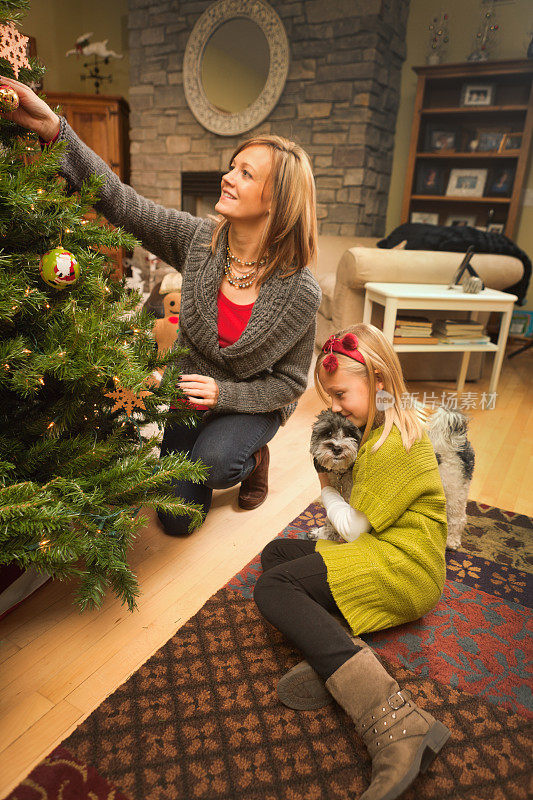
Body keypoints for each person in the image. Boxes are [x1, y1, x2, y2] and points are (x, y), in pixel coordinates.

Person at [1, 76, 321, 535]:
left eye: (246, 173)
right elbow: (123, 202)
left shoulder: (300, 290)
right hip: (188, 394)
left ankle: (250, 460)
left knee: (213, 465)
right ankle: (216, 450)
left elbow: (291, 383)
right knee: (175, 522)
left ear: (278, 200)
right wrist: (54, 129)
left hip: (248, 402)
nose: (228, 177)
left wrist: (226, 395)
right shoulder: (198, 242)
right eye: (232, 166)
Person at [254, 323, 450, 800]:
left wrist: (324, 484)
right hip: (383, 547)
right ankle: (335, 654)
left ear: (379, 381)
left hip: (403, 564)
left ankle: (397, 722)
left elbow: (354, 527)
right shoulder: (378, 425)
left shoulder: (394, 442)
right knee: (277, 554)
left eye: (341, 394)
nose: (335, 406)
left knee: (275, 588)